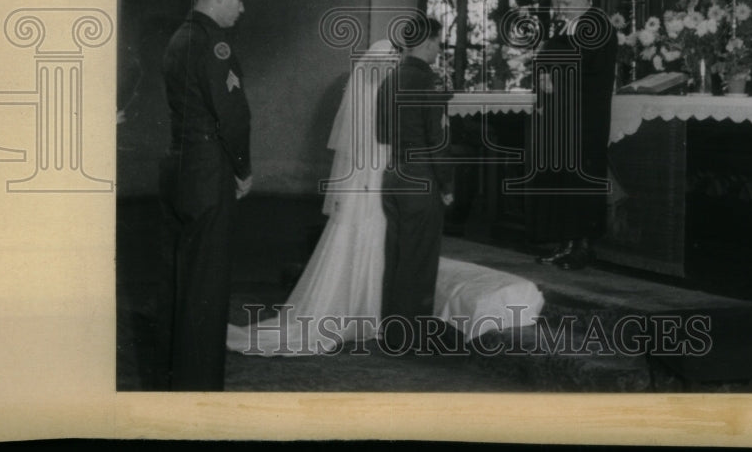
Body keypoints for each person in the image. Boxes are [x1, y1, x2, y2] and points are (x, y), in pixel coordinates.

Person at [225, 35, 544, 356]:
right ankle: (378, 316)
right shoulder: (390, 93)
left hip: (381, 180)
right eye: (395, 62)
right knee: (387, 246)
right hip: (385, 180)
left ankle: (377, 314)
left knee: (383, 247)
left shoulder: (379, 95)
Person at [158, 0, 252, 391]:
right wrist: (243, 169)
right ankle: (199, 389)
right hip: (211, 176)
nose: (241, 8)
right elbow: (233, 118)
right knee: (208, 288)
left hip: (181, 170)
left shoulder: (178, 38)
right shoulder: (216, 45)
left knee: (185, 281)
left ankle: (180, 380)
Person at [376, 17, 455, 349]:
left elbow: (381, 133)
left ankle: (393, 333)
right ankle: (412, 338)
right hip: (421, 179)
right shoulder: (430, 82)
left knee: (396, 257)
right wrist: (447, 185)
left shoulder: (389, 79)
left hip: (393, 176)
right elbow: (437, 141)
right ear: (426, 43)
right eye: (438, 42)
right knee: (419, 260)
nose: (439, 48)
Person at [531, 0, 617, 271]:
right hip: (563, 118)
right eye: (558, 5)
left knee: (581, 180)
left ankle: (583, 247)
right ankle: (565, 243)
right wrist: (543, 78)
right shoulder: (567, 28)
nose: (561, 9)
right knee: (563, 181)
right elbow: (546, 61)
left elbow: (591, 73)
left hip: (585, 120)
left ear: (584, 0)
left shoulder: (599, 27)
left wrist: (556, 79)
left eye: (566, 3)